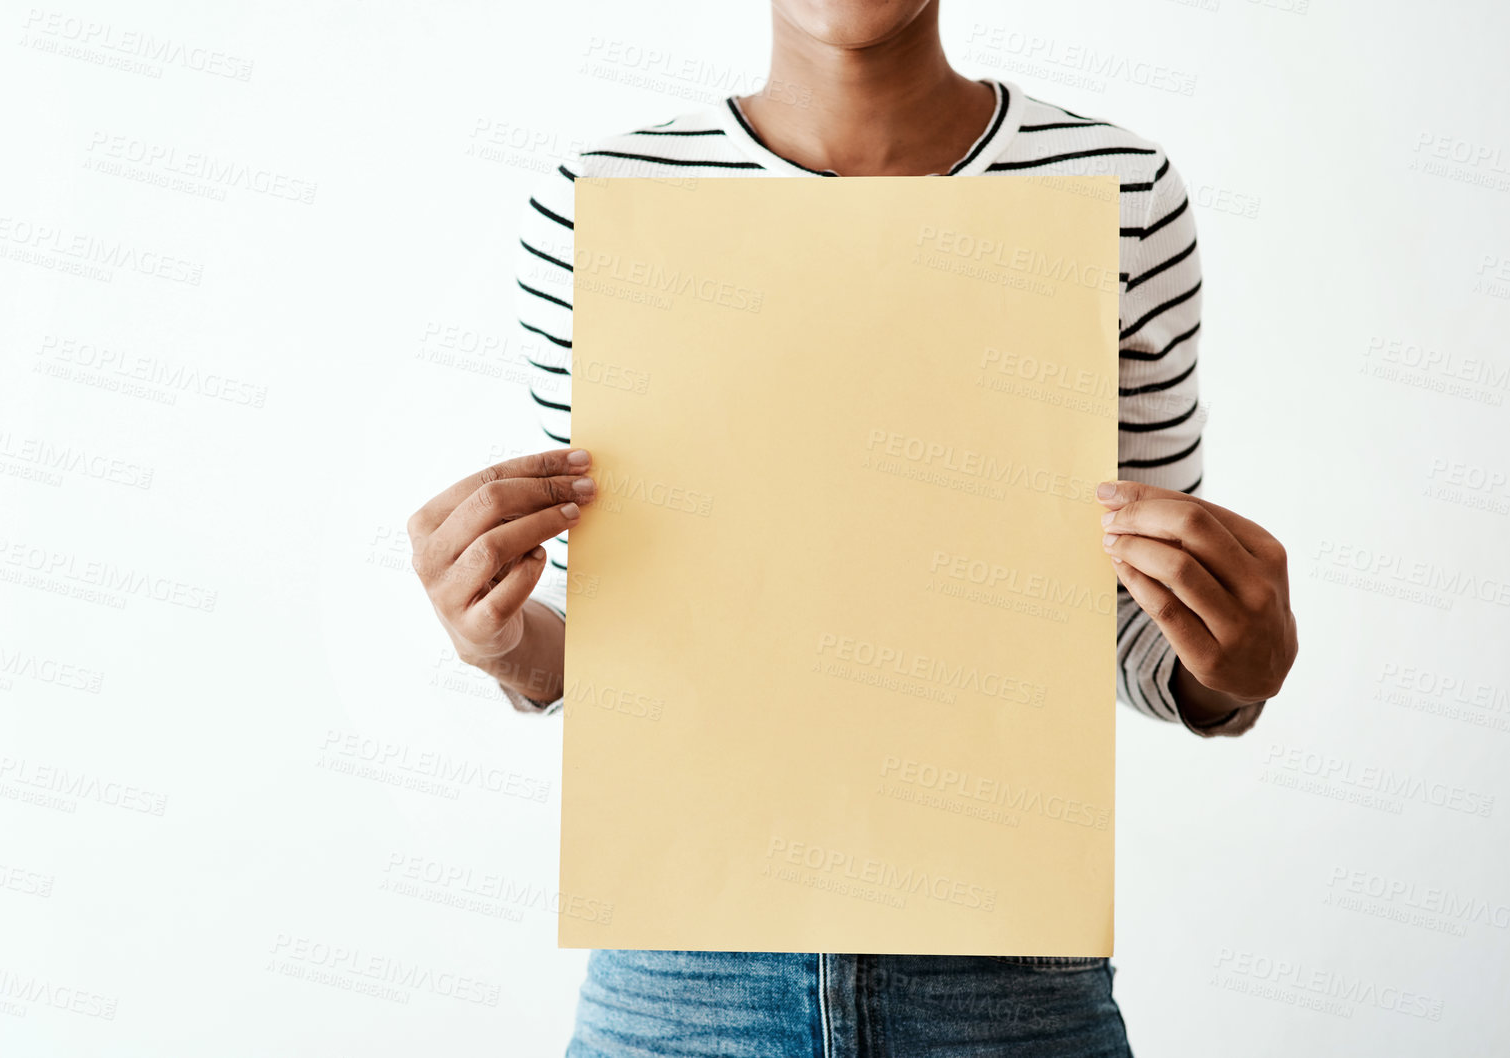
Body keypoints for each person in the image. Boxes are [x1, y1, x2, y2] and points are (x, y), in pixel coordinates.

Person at [406, 1, 1299, 1053]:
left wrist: (1228, 673)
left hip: (1001, 967)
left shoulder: (1118, 190)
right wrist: (502, 643)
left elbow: (1128, 621)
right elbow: (633, 637)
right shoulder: (598, 204)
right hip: (687, 964)